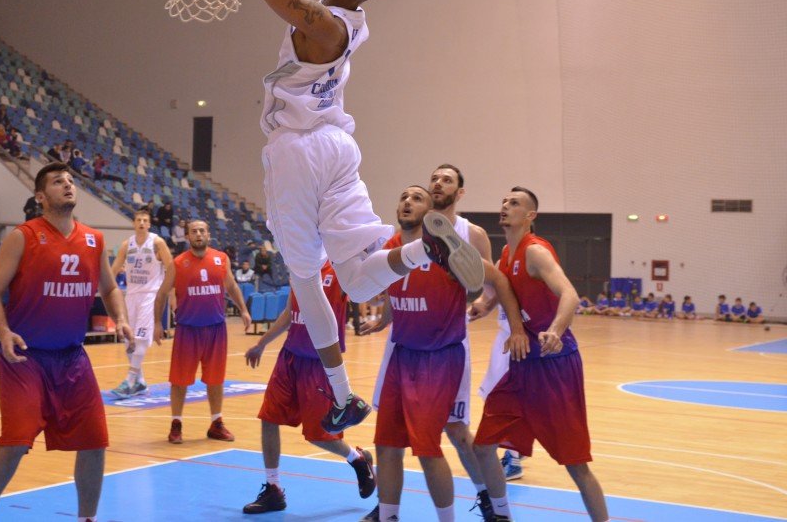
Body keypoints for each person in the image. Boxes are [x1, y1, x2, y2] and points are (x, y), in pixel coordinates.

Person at [245, 0, 485, 433]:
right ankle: (427, 249)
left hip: (298, 151)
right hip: (338, 146)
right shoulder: (352, 21)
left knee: (306, 277)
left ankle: (341, 395)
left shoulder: (325, 26)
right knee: (354, 283)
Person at [0, 163, 133, 522]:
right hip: (25, 359)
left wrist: (121, 318)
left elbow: (108, 288)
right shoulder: (23, 236)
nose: (68, 185)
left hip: (73, 358)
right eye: (58, 182)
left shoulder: (94, 239)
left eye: (71, 181)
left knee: (94, 441)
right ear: (41, 197)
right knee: (15, 441)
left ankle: (87, 519)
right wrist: (3, 332)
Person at [364, 183, 526, 522]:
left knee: (427, 448)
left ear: (431, 213)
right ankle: (388, 516)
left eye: (417, 198)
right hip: (401, 355)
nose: (407, 201)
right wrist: (383, 320)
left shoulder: (449, 249)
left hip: (439, 360)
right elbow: (397, 292)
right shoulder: (390, 247)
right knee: (386, 444)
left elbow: (499, 281)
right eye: (403, 196)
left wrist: (518, 327)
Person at [472, 187, 610, 522]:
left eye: (515, 203)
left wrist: (556, 330)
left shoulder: (535, 252)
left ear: (530, 216)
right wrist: (482, 305)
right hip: (521, 366)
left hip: (554, 366)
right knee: (482, 445)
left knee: (577, 466)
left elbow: (570, 294)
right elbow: (506, 292)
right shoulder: (507, 252)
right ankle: (500, 515)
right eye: (504, 201)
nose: (505, 206)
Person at [242, 261, 376, 514]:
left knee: (319, 435)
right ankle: (274, 489)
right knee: (268, 418)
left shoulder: (340, 269)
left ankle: (357, 460)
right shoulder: (299, 266)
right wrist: (262, 343)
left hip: (322, 363)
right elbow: (289, 313)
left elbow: (372, 295)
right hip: (290, 357)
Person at [153, 219, 250, 444]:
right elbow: (161, 294)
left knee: (215, 380)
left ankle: (216, 423)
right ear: (187, 236)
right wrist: (158, 323)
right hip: (188, 330)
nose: (198, 234)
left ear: (208, 235)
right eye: (194, 231)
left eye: (202, 231)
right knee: (179, 381)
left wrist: (243, 310)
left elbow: (233, 286)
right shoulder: (178, 264)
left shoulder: (220, 259)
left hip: (216, 329)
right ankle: (176, 424)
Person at [109, 209, 175, 399]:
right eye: (138, 220)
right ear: (134, 223)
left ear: (149, 224)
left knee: (140, 338)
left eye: (145, 220)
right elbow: (113, 270)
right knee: (128, 338)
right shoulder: (126, 245)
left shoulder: (157, 243)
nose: (141, 223)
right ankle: (141, 382)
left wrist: (172, 295)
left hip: (150, 295)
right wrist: (106, 289)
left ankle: (129, 381)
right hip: (131, 295)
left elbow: (171, 269)